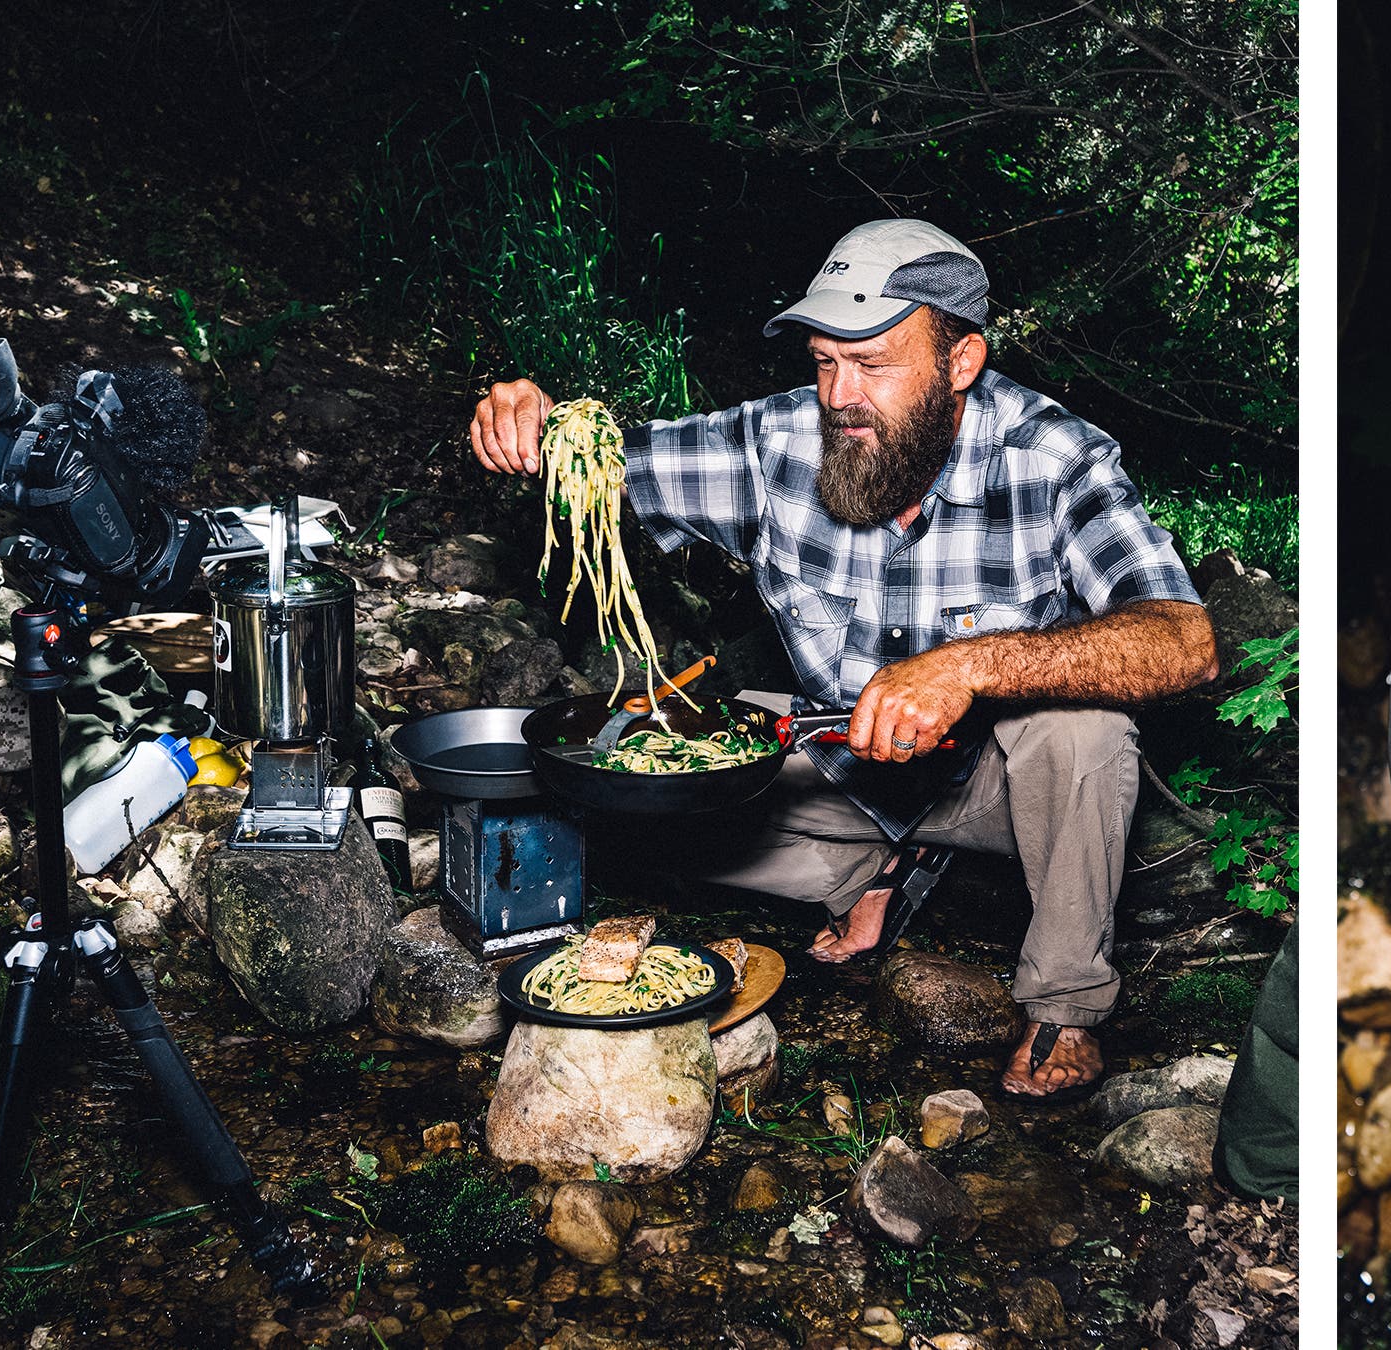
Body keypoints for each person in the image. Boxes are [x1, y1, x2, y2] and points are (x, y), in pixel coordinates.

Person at [468, 219, 1218, 1097]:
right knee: (640, 781)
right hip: (841, 772)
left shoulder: (1054, 458)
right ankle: (879, 874)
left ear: (961, 361)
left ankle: (1065, 1004)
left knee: (1082, 730)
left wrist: (967, 667)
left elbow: (1186, 640)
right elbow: (602, 457)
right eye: (826, 360)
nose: (839, 394)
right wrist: (534, 420)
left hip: (997, 792)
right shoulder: (775, 444)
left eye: (873, 363)